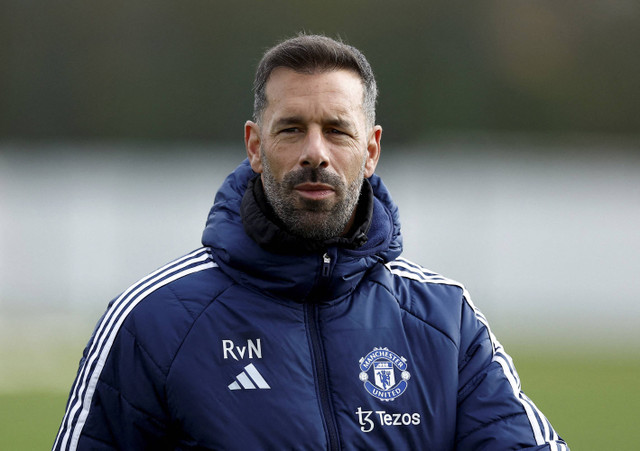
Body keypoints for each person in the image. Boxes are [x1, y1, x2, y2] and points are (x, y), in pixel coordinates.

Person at [53, 34, 569, 450]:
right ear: (256, 146)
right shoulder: (153, 321)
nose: (315, 153)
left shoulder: (445, 321)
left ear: (370, 151)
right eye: (292, 129)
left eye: (337, 131)